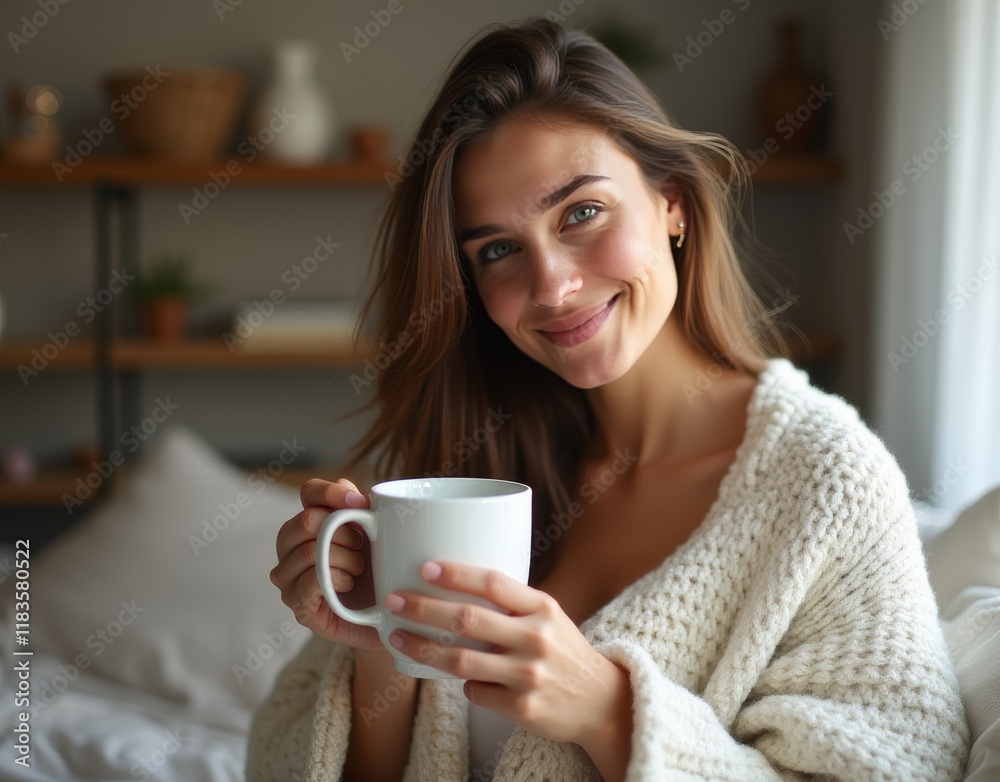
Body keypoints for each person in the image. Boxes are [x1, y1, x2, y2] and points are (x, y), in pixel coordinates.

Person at [248, 18, 970, 782]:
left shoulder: (830, 488)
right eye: (498, 250)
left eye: (582, 213)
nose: (552, 285)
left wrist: (604, 711)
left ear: (674, 204)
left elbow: (897, 768)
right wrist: (378, 648)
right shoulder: (467, 467)